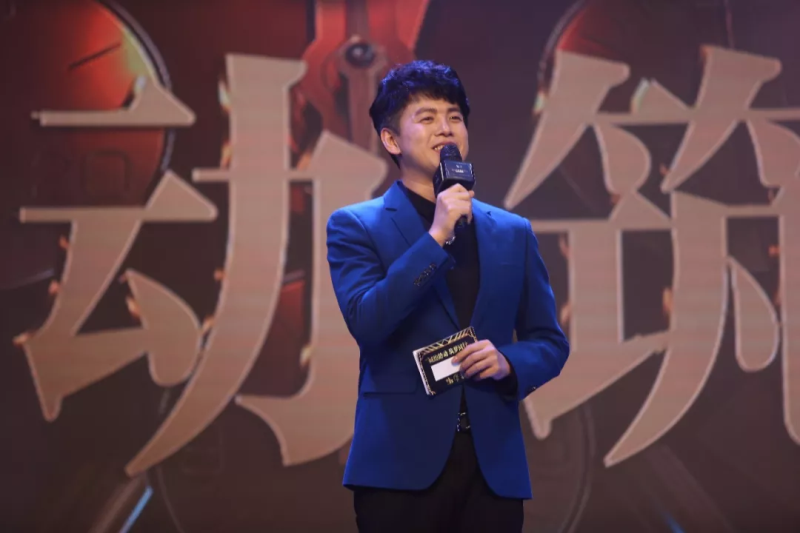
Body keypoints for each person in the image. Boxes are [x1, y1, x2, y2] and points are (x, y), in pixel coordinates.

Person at [325, 59, 570, 533]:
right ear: (391, 140)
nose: (445, 128)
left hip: (490, 467)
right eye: (427, 117)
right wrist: (436, 236)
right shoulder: (356, 225)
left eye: (454, 116)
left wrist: (508, 362)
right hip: (399, 468)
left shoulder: (512, 232)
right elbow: (369, 322)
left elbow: (549, 341)